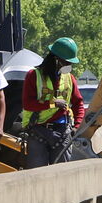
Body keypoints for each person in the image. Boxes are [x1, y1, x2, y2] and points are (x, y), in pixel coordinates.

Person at [19, 37, 85, 168]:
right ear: (56, 59)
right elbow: (28, 104)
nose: (68, 66)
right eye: (66, 62)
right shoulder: (34, 75)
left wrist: (76, 127)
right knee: (37, 175)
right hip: (38, 131)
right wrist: (53, 104)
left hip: (62, 132)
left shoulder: (69, 78)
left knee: (63, 175)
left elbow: (78, 104)